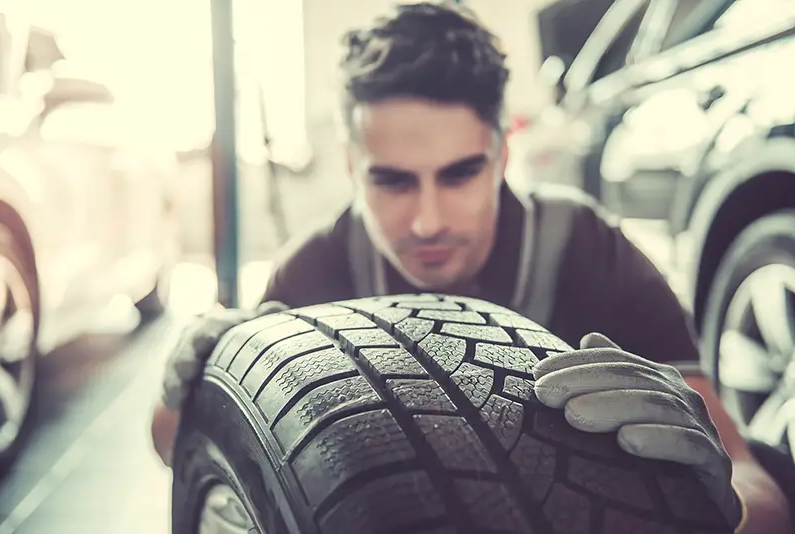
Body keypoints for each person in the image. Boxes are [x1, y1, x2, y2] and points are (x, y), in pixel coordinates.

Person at [151, 3, 793, 533]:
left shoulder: (585, 248)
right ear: (352, 168)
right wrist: (189, 390)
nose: (427, 220)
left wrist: (722, 504)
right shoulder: (315, 269)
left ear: (501, 152)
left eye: (459, 174)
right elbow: (185, 451)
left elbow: (749, 472)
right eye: (393, 182)